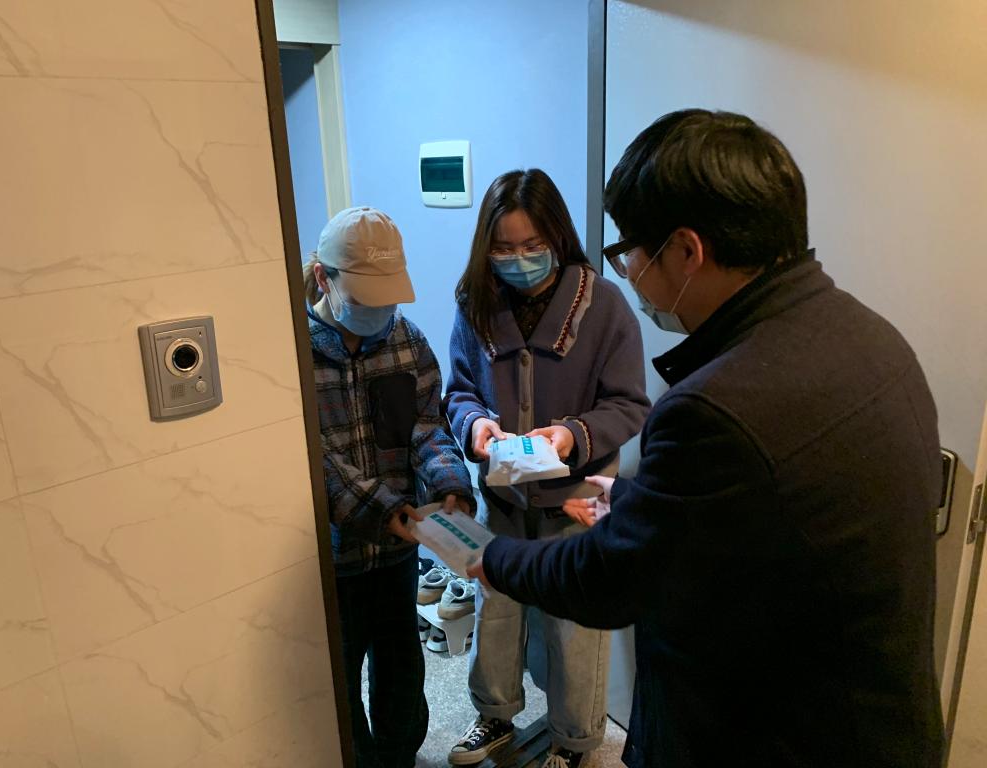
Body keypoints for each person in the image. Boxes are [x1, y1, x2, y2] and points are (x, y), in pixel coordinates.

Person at [467, 110, 945, 768]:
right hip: (874, 725)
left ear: (687, 252)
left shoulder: (715, 406)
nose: (630, 268)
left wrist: (492, 559)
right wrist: (635, 498)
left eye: (632, 249)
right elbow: (758, 509)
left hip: (764, 737)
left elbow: (612, 580)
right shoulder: (873, 338)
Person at [443, 169, 650, 768]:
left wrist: (570, 436)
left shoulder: (604, 305)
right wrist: (475, 426)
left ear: (558, 237)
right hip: (503, 499)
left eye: (532, 245)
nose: (518, 260)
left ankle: (574, 741)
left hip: (577, 502)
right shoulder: (476, 302)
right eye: (503, 248)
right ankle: (494, 715)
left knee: (574, 631)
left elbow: (629, 403)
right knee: (496, 617)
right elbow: (459, 390)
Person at [305, 206, 475, 768]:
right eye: (366, 298)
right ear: (324, 277)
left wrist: (449, 486)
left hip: (398, 554)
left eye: (388, 299)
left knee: (401, 669)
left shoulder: (407, 343)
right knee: (337, 682)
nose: (379, 313)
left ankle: (400, 756)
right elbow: (315, 462)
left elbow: (427, 428)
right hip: (331, 560)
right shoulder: (292, 355)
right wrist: (386, 510)